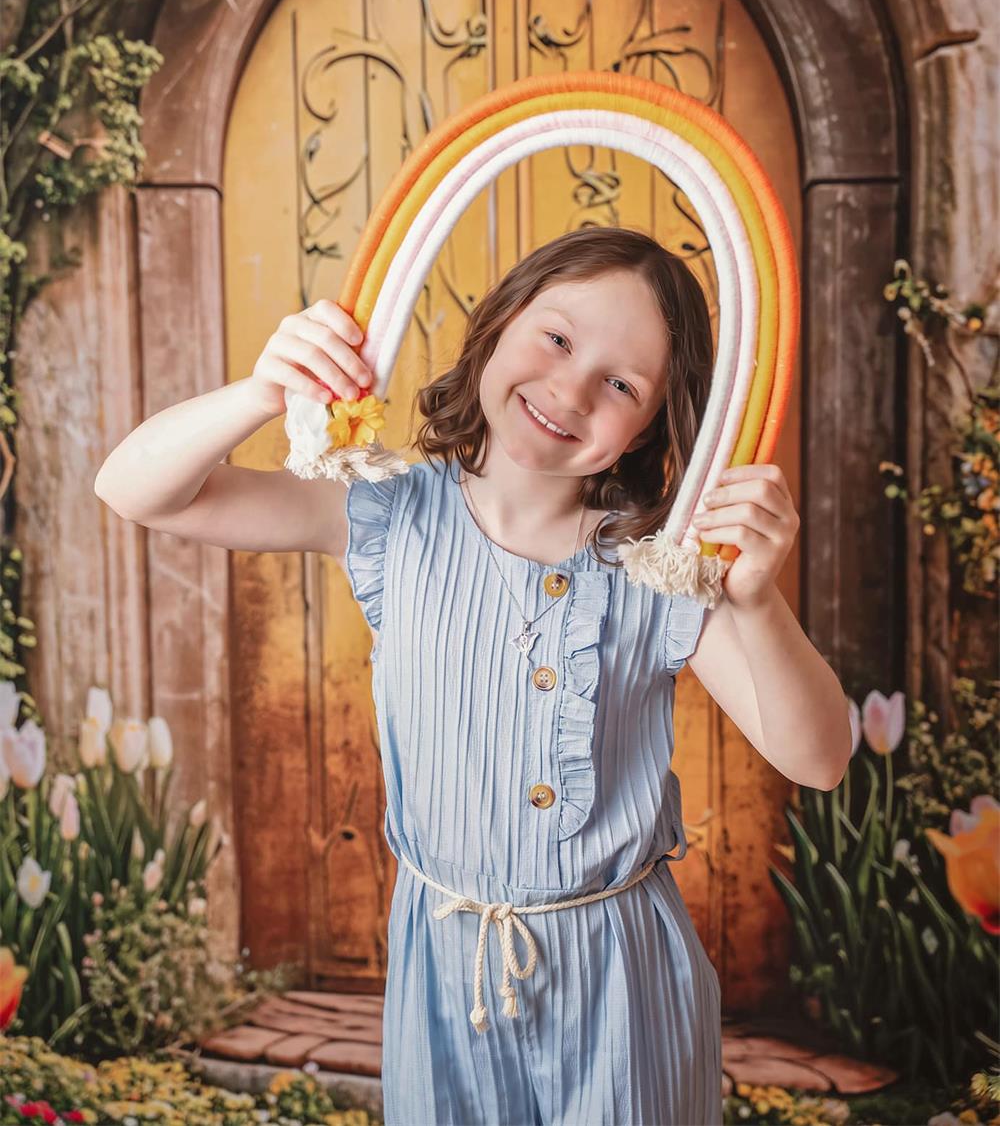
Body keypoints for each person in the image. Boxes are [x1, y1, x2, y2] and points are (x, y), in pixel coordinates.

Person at [95, 225, 853, 1126]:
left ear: (652, 424)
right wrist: (268, 390)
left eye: (621, 384)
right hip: (444, 964)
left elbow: (820, 758)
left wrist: (760, 602)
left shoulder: (660, 570)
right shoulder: (384, 514)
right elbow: (136, 489)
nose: (569, 389)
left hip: (621, 972)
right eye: (557, 338)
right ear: (497, 325)